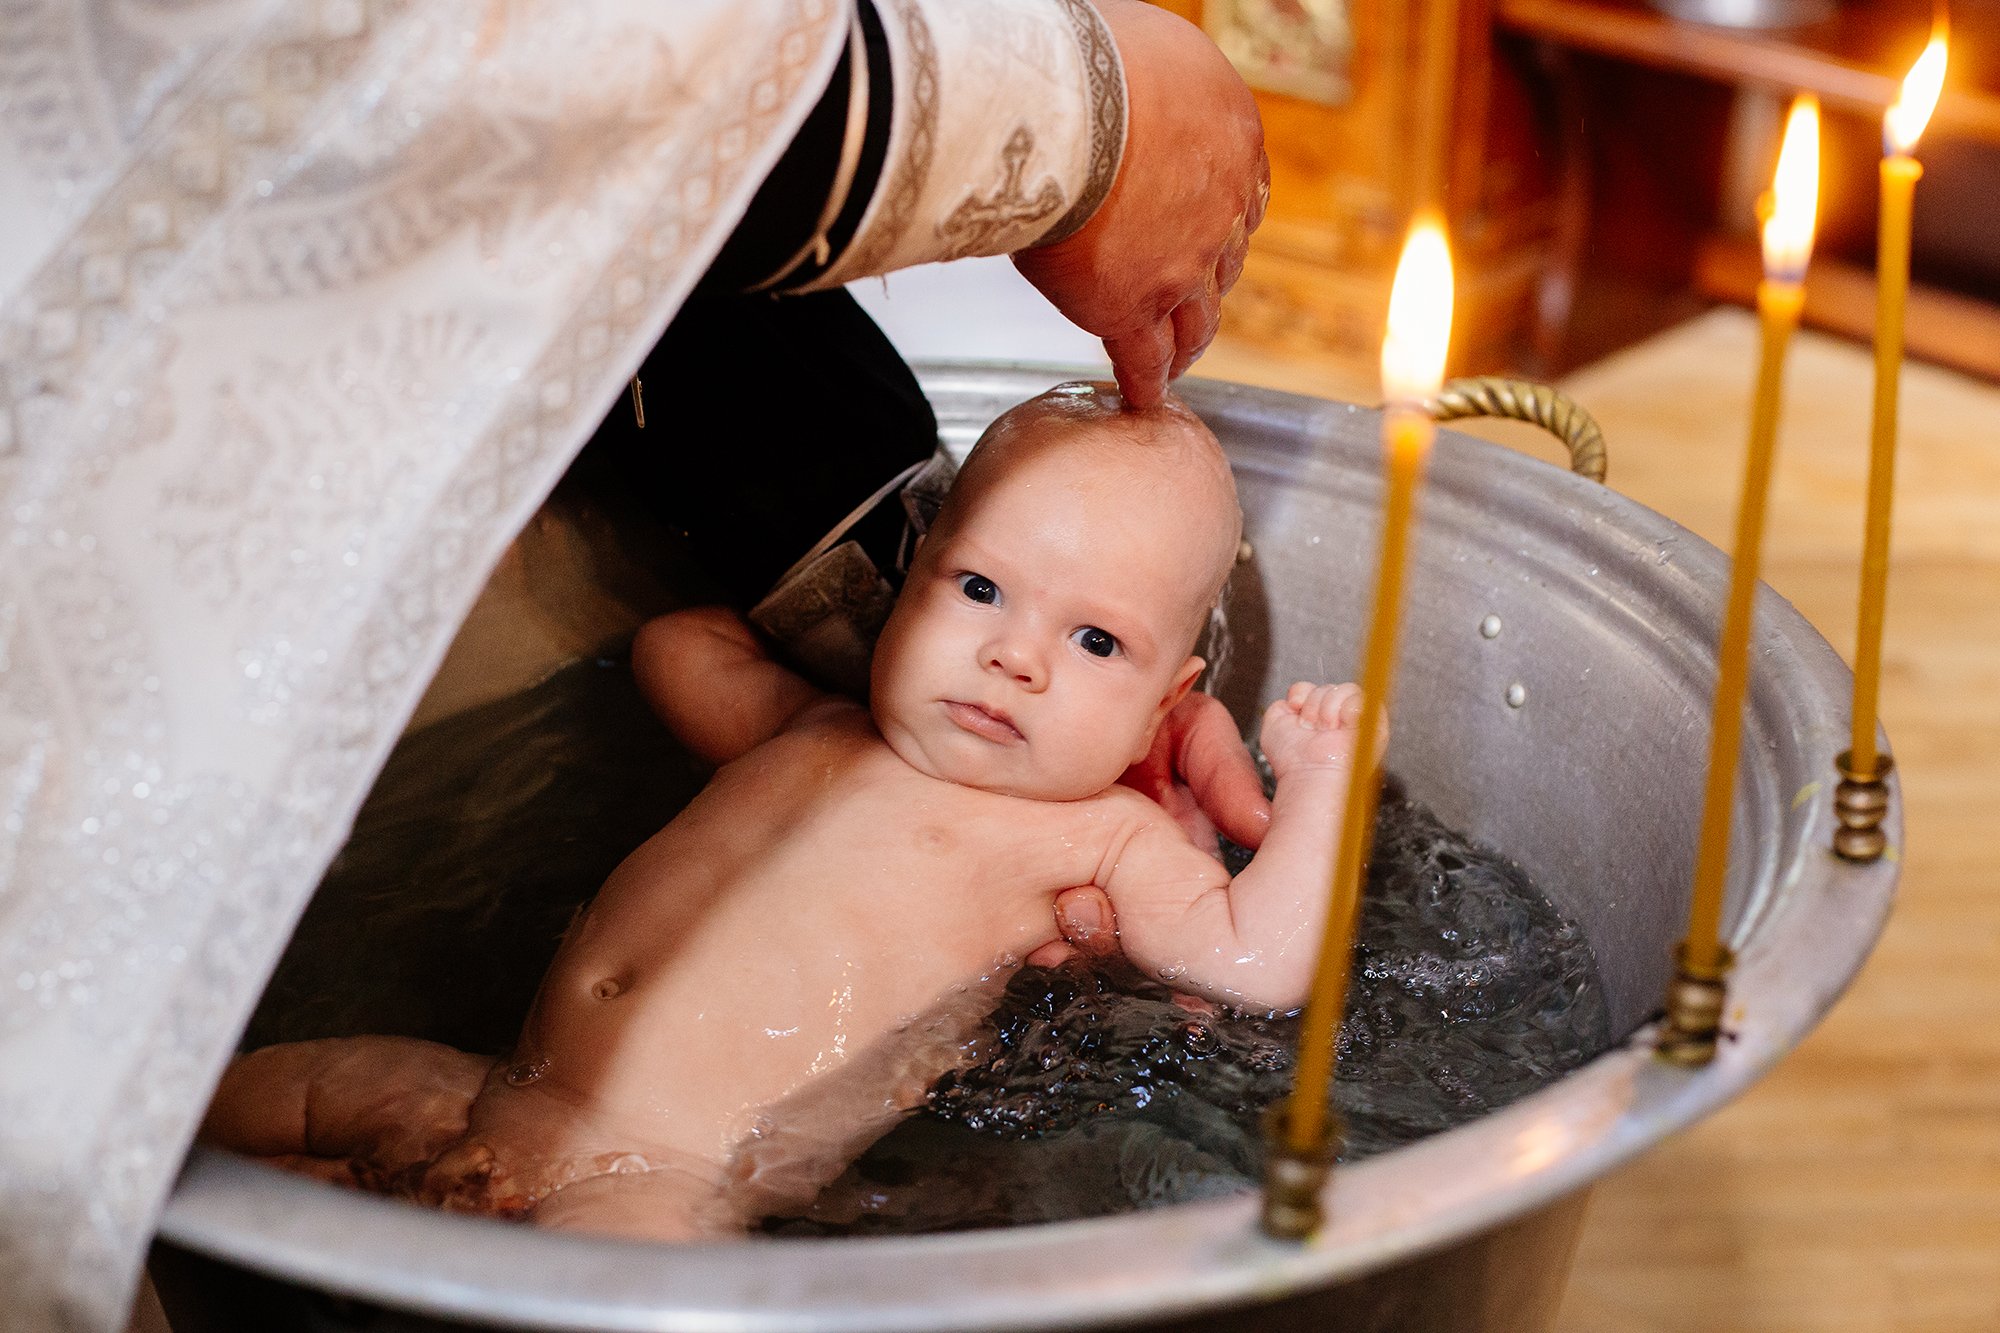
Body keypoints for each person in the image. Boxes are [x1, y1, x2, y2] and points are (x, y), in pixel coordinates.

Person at [199, 383, 1369, 1239]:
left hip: (655, 1182)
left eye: (1094, 639)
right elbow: (673, 647)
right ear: (909, 578)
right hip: (487, 1087)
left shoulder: (1096, 839)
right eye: (975, 587)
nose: (1013, 656)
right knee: (189, 1113)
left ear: (1168, 705)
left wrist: (1318, 785)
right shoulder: (816, 726)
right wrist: (850, 651)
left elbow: (1256, 963)